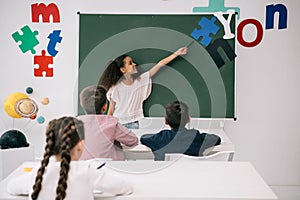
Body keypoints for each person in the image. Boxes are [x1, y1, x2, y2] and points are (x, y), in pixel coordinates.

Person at [7, 116, 133, 200]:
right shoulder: (87, 170)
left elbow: (11, 187)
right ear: (80, 145)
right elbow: (125, 187)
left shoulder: (38, 172)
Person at [99, 46, 188, 129]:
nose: (134, 64)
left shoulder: (141, 81)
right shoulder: (115, 88)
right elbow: (110, 111)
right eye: (130, 63)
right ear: (123, 69)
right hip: (118, 125)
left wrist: (177, 53)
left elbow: (160, 64)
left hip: (135, 123)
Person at [140, 101, 221, 161]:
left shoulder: (160, 138)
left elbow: (143, 138)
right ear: (188, 119)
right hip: (191, 180)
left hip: (164, 180)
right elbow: (217, 139)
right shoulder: (195, 137)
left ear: (166, 121)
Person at [77, 85, 138, 161]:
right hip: (109, 169)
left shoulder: (73, 124)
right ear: (105, 107)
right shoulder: (111, 123)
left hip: (82, 169)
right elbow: (133, 140)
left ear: (82, 105)